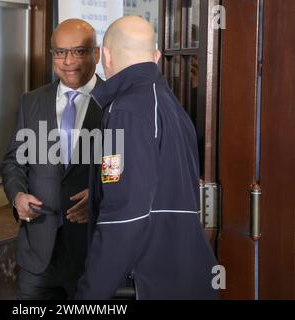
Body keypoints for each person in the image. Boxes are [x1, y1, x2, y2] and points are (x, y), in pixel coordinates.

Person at [75, 16, 218, 300]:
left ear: (105, 56)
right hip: (183, 274)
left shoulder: (126, 110)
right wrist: (101, 193)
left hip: (148, 281)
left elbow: (126, 217)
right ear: (155, 57)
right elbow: (155, 186)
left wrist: (87, 297)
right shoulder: (170, 106)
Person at [0, 19, 102, 300]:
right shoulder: (31, 101)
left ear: (96, 54)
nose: (68, 61)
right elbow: (13, 163)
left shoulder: (115, 102)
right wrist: (17, 196)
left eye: (79, 51)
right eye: (60, 52)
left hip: (94, 253)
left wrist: (99, 195)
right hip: (37, 255)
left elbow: (132, 170)